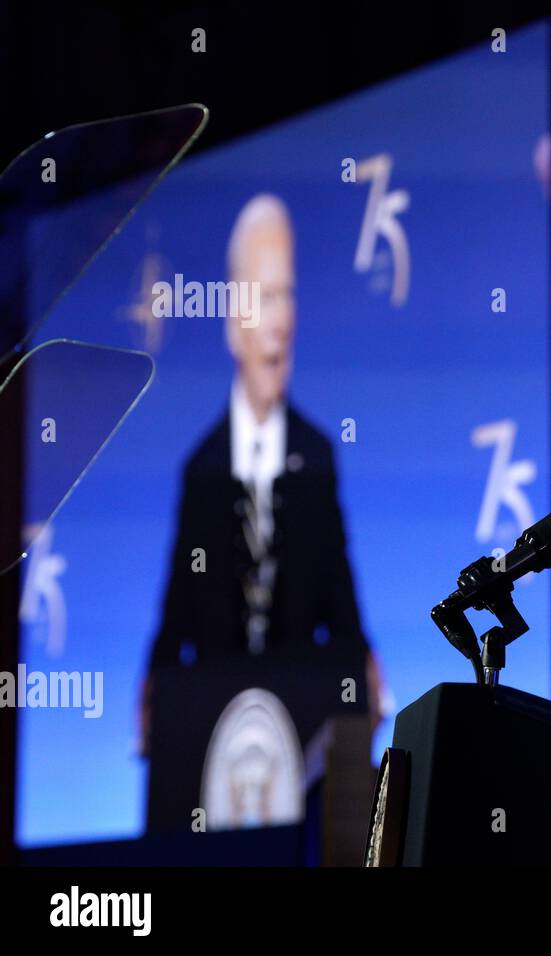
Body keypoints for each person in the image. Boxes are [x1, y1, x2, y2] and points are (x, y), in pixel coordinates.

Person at [139, 194, 384, 755]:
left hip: (298, 744)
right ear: (232, 325)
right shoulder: (202, 469)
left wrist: (363, 674)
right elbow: (177, 611)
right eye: (264, 298)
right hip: (211, 748)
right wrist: (154, 694)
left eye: (287, 296)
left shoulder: (317, 458)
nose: (279, 322)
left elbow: (341, 605)